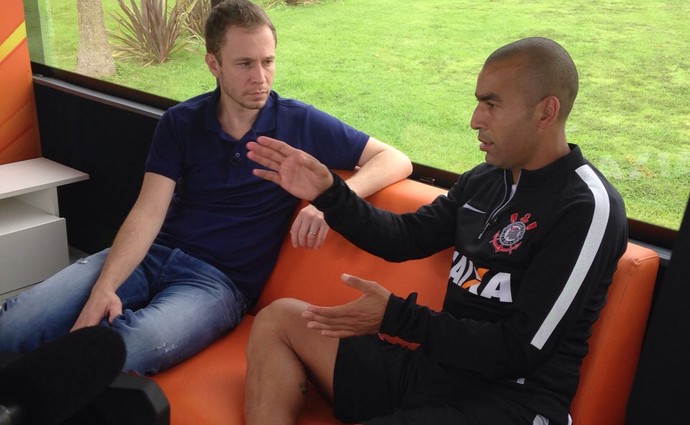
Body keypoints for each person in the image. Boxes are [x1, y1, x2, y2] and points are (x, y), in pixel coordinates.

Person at [0, 0, 411, 375]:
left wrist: (330, 201)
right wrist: (105, 287)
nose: (261, 77)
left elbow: (395, 159)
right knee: (17, 324)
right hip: (151, 255)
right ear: (213, 64)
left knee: (131, 349)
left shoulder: (300, 123)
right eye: (244, 64)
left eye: (268, 61)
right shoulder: (181, 122)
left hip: (217, 284)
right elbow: (148, 212)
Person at [243, 37, 627, 425]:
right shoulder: (485, 179)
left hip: (508, 402)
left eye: (491, 104)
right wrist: (329, 193)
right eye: (479, 102)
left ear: (546, 112)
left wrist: (396, 316)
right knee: (279, 319)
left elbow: (521, 348)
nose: (475, 119)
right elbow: (404, 237)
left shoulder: (585, 208)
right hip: (431, 375)